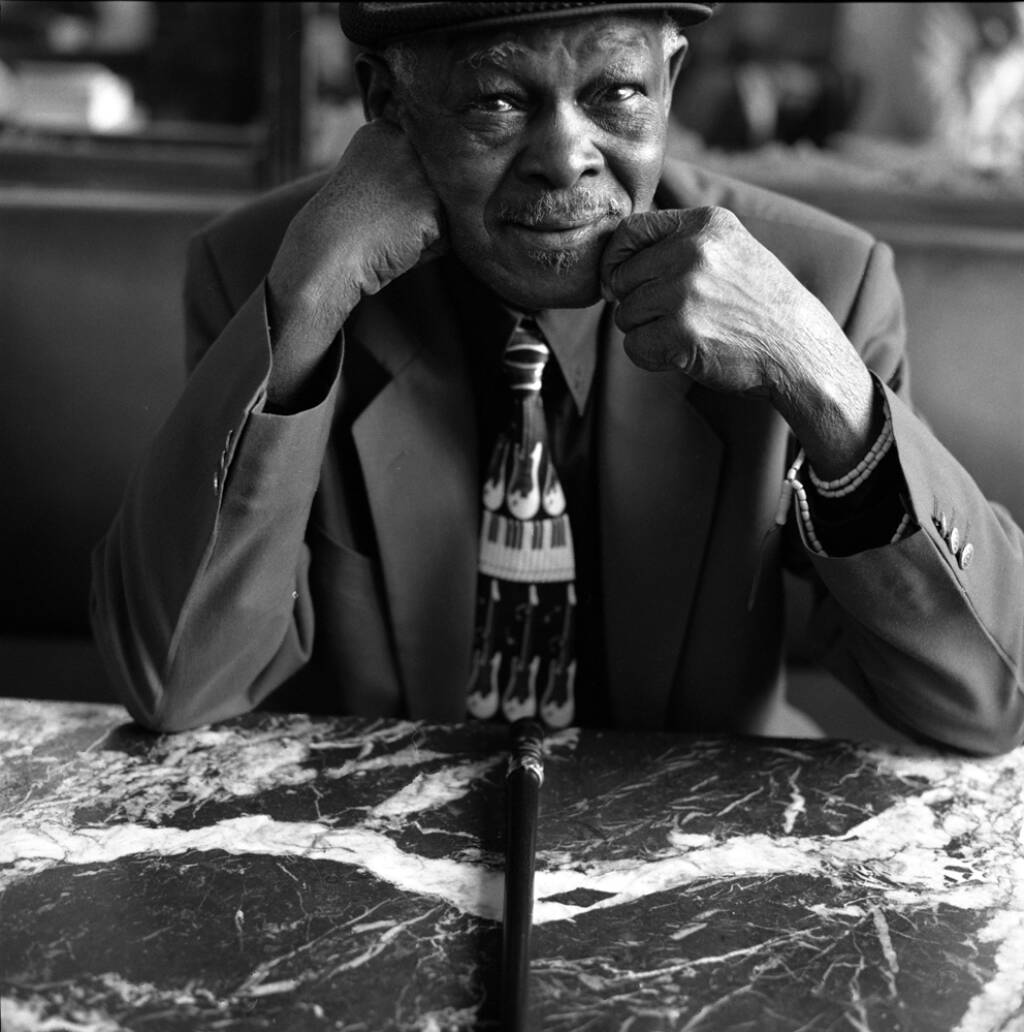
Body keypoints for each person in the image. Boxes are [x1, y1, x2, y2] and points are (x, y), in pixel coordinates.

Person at [91, 1, 1024, 755]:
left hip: (695, 857)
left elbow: (986, 703)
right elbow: (175, 685)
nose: (565, 156)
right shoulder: (269, 272)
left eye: (617, 92)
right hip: (370, 848)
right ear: (387, 104)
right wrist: (307, 302)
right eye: (497, 101)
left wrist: (819, 376)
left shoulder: (820, 283)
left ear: (671, 82)